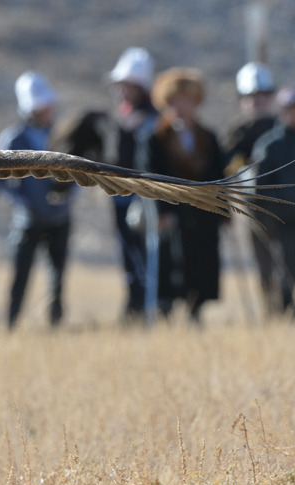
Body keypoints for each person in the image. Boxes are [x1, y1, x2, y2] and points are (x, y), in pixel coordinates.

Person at [0, 72, 75, 328]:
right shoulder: (13, 139)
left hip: (60, 218)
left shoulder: (63, 135)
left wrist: (68, 196)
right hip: (27, 221)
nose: (47, 111)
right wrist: (22, 201)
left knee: (58, 278)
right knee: (20, 275)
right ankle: (12, 323)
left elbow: (77, 175)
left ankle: (56, 324)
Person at [146, 67, 226, 323]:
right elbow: (148, 178)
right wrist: (161, 211)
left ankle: (196, 311)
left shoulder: (209, 137)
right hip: (172, 212)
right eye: (176, 101)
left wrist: (223, 211)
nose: (182, 106)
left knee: (201, 263)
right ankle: (165, 312)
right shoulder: (155, 138)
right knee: (170, 263)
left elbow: (219, 175)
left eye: (187, 100)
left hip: (203, 214)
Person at [251, 86, 295, 317]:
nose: (294, 114)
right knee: (286, 268)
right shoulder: (269, 145)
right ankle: (288, 312)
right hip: (282, 222)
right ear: (281, 112)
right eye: (289, 110)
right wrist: (276, 209)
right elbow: (259, 186)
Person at [105, 47, 159, 322]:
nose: (122, 90)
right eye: (120, 85)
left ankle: (144, 306)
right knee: (129, 255)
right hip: (119, 197)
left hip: (141, 199)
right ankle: (135, 303)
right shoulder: (122, 117)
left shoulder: (151, 120)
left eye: (127, 85)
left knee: (143, 256)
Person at [222, 62, 279, 315]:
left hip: (286, 205)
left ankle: (290, 305)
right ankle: (271, 308)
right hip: (254, 207)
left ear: (269, 97)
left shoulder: (281, 127)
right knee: (263, 260)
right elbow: (226, 168)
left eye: (260, 96)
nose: (255, 101)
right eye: (250, 97)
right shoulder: (237, 132)